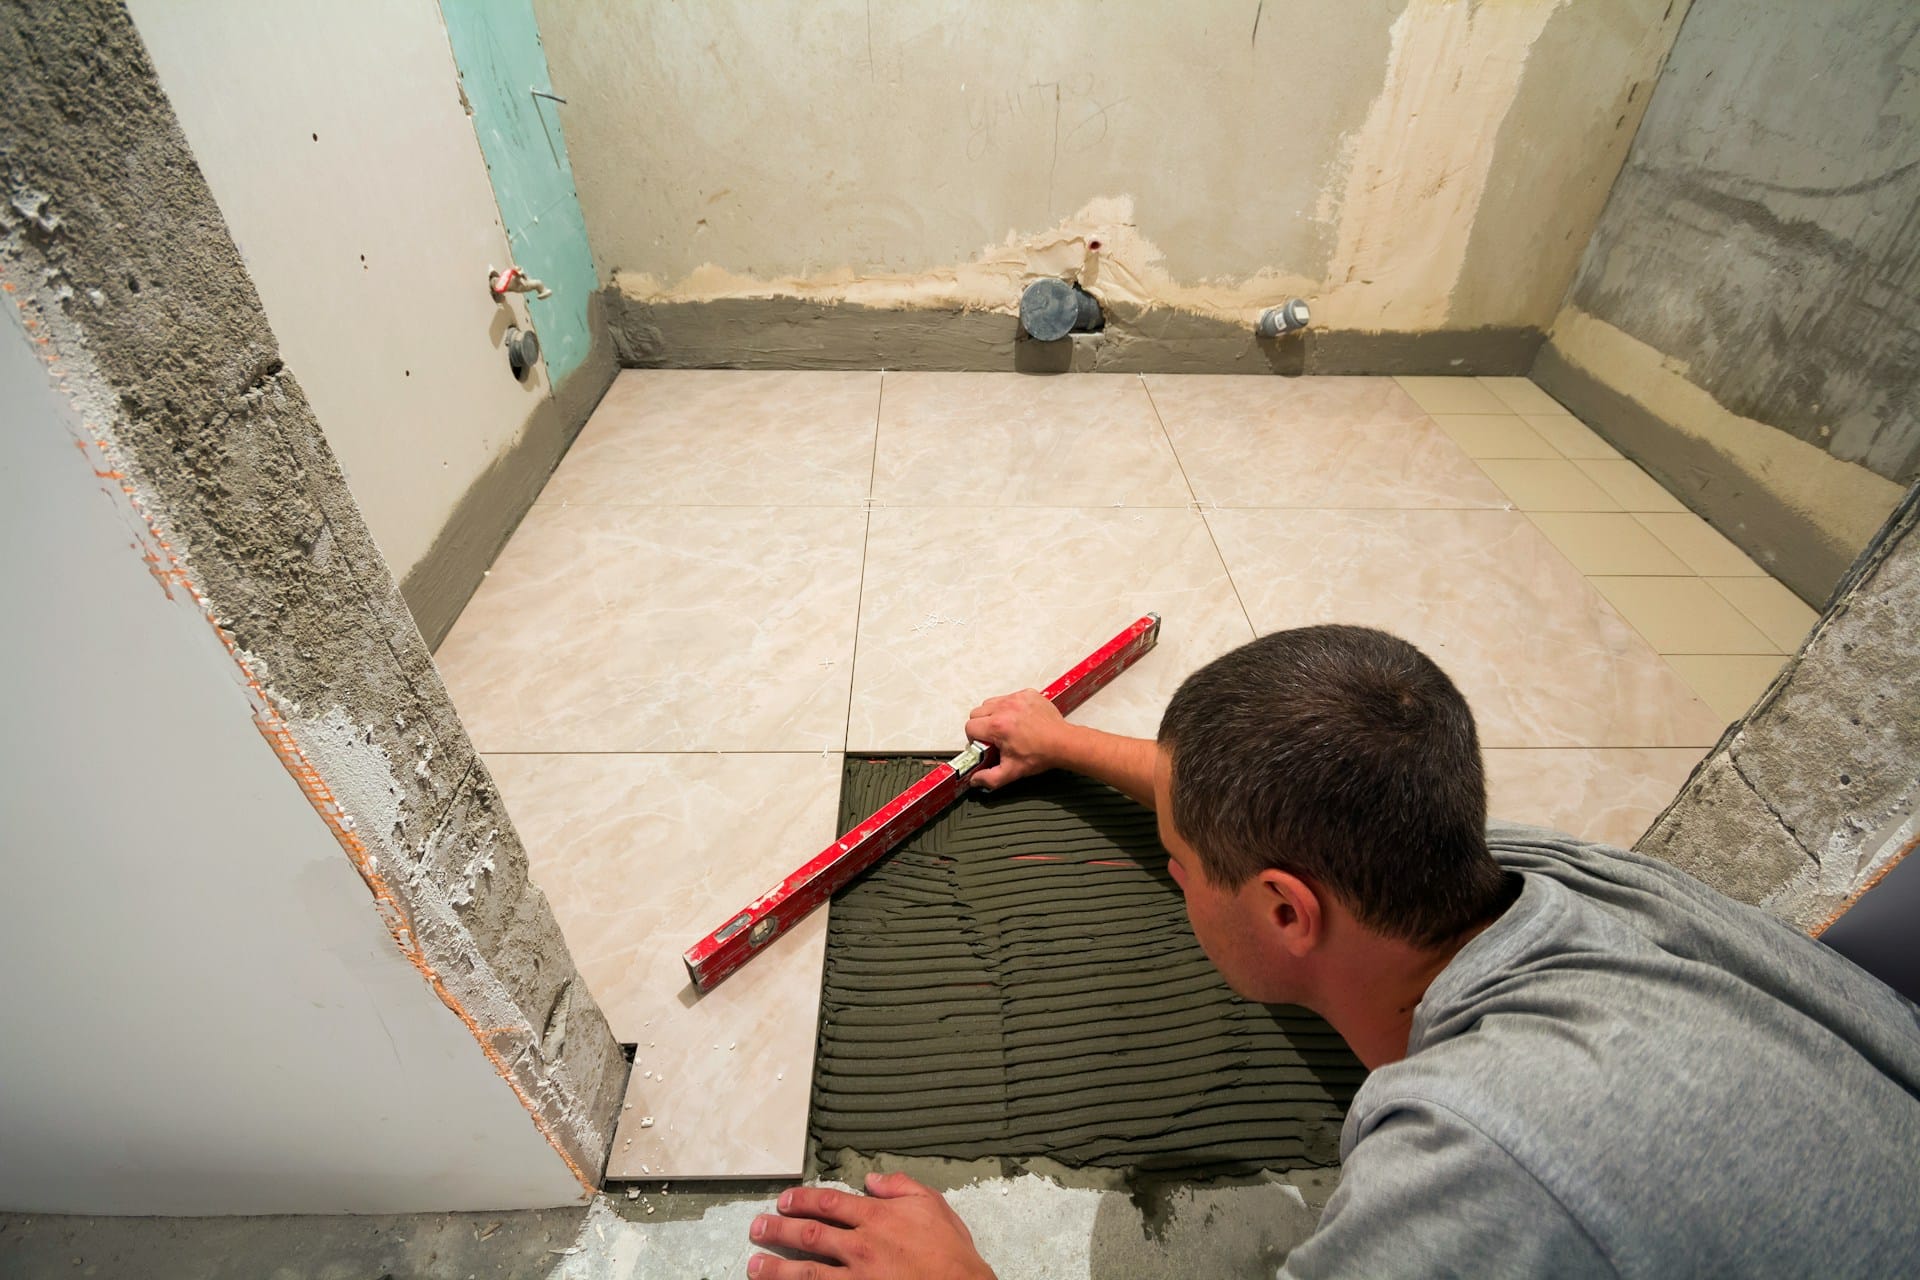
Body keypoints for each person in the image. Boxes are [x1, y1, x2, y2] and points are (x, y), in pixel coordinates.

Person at [744, 625, 1920, 1278]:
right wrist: (1065, 739)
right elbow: (1257, 795)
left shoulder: (1471, 1173)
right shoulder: (1559, 871)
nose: (1168, 874)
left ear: (1285, 911)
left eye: (1181, 862)